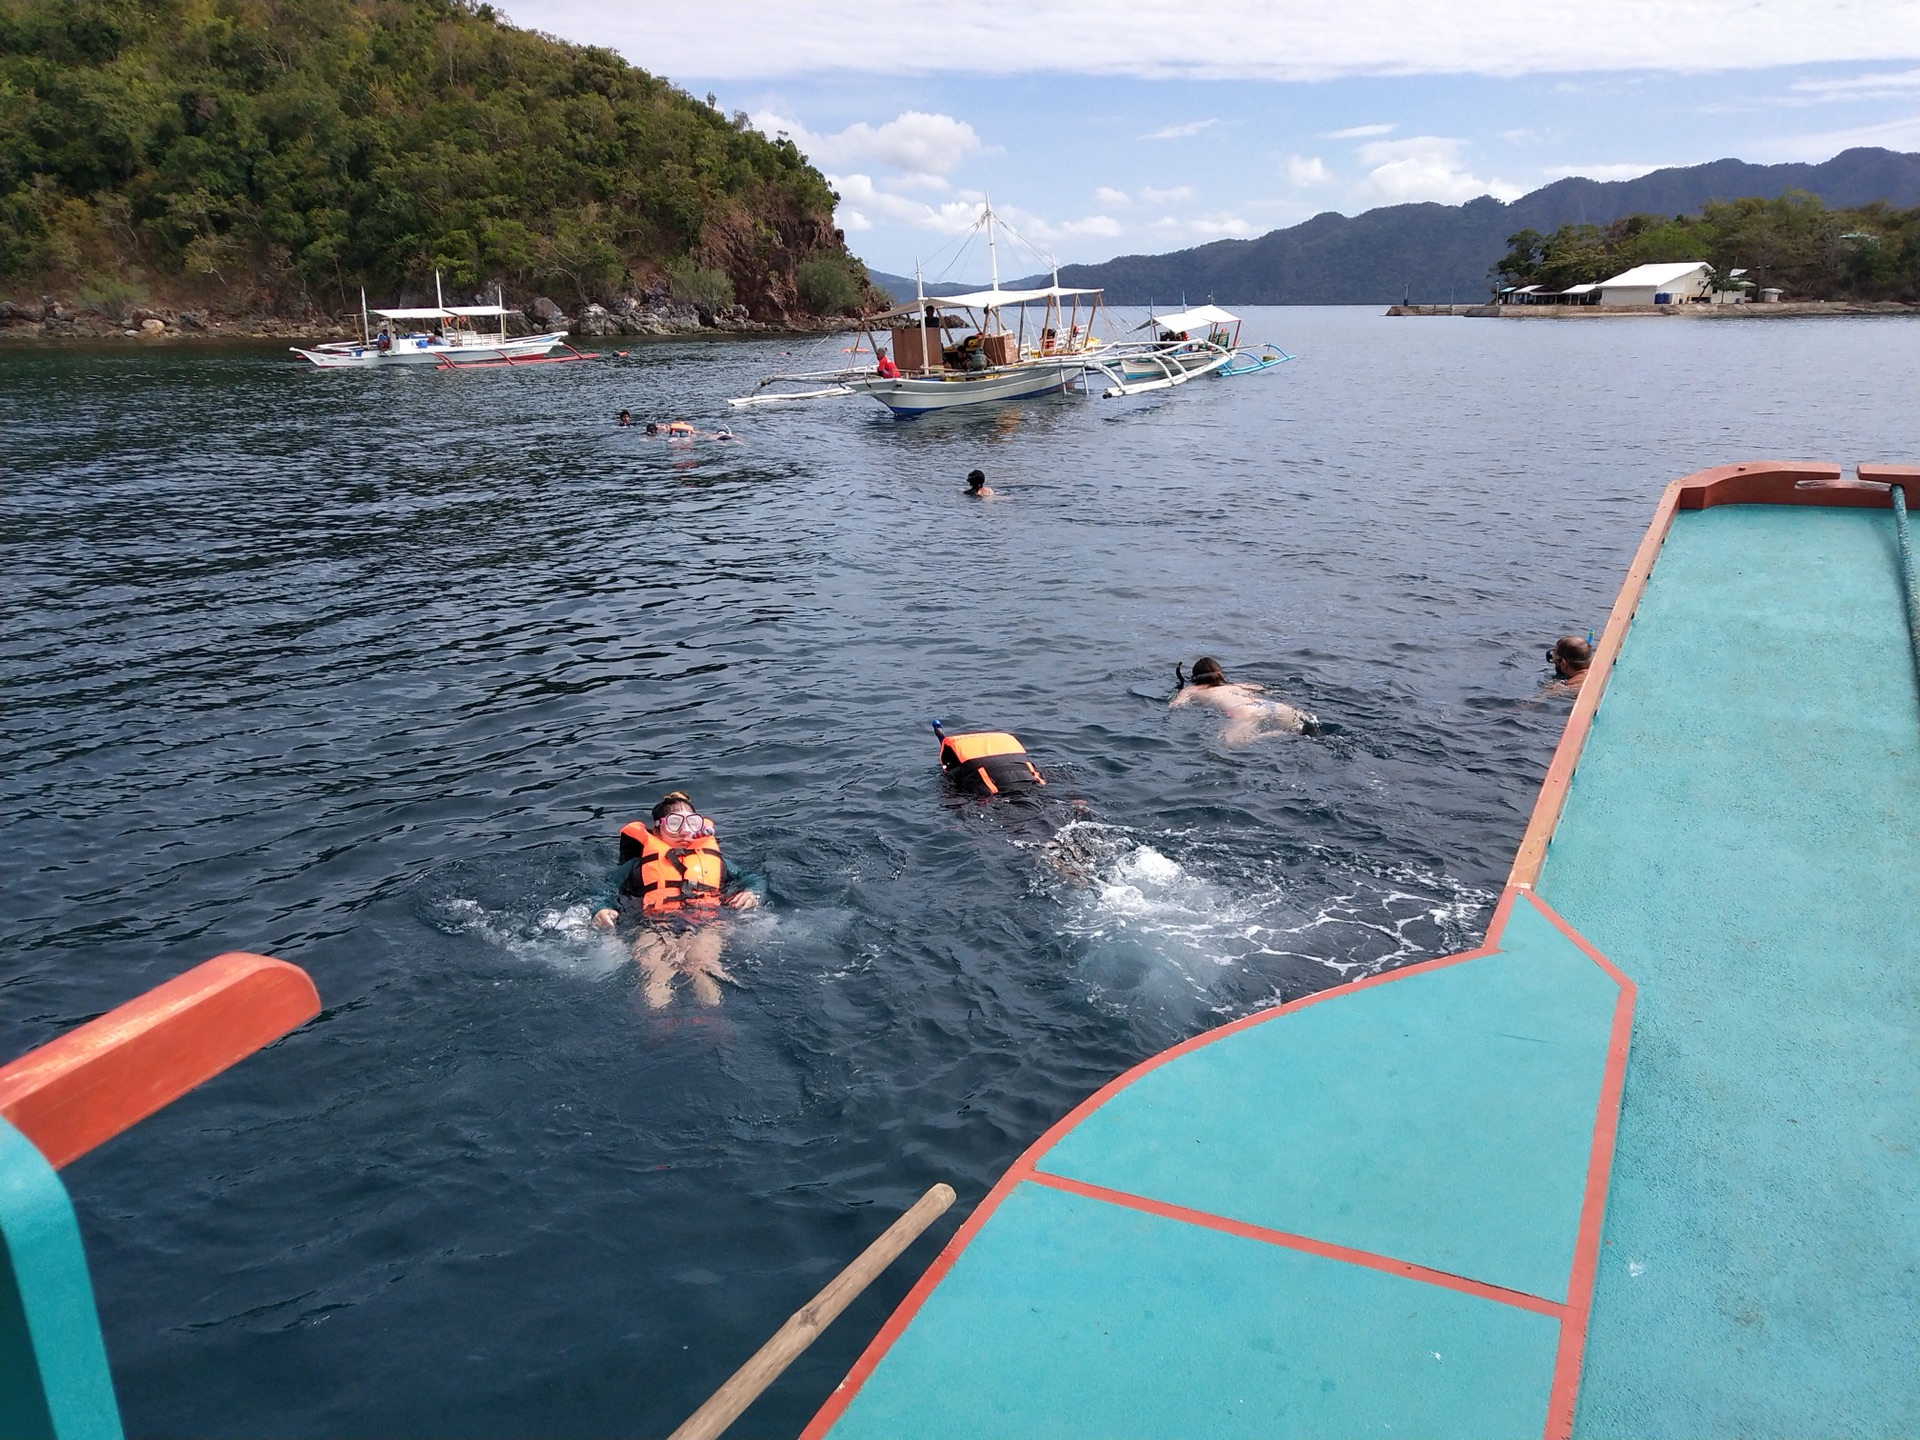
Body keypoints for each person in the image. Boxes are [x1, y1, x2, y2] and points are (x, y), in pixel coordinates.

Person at [590, 791, 763, 1009]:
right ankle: (659, 1026)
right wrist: (602, 908)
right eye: (674, 823)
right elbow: (606, 889)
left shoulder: (718, 862)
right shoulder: (637, 866)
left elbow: (752, 879)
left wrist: (753, 893)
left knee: (703, 966)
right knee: (655, 970)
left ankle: (712, 1023)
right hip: (653, 925)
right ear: (657, 829)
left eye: (692, 823)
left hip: (707, 923)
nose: (684, 830)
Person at [1170, 656, 1316, 745]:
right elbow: (1271, 690)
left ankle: (1279, 734)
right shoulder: (1240, 685)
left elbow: (1174, 707)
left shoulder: (1193, 690)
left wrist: (1179, 692)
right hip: (1274, 706)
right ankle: (1295, 733)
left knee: (1227, 744)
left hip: (1244, 711)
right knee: (1308, 732)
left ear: (1195, 677)